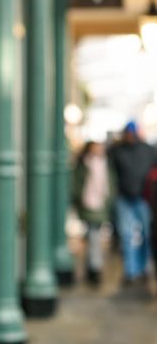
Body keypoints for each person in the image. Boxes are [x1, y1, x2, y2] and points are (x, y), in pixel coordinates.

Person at [108, 121, 157, 284]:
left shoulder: (148, 150)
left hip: (144, 199)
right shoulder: (117, 151)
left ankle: (143, 268)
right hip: (124, 198)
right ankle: (131, 270)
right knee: (127, 235)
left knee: (145, 235)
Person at [72, 141, 113, 286]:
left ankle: (93, 268)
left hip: (100, 204)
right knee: (93, 236)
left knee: (93, 236)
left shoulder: (106, 164)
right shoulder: (84, 164)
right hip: (88, 203)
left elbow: (110, 184)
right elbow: (77, 183)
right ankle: (95, 268)